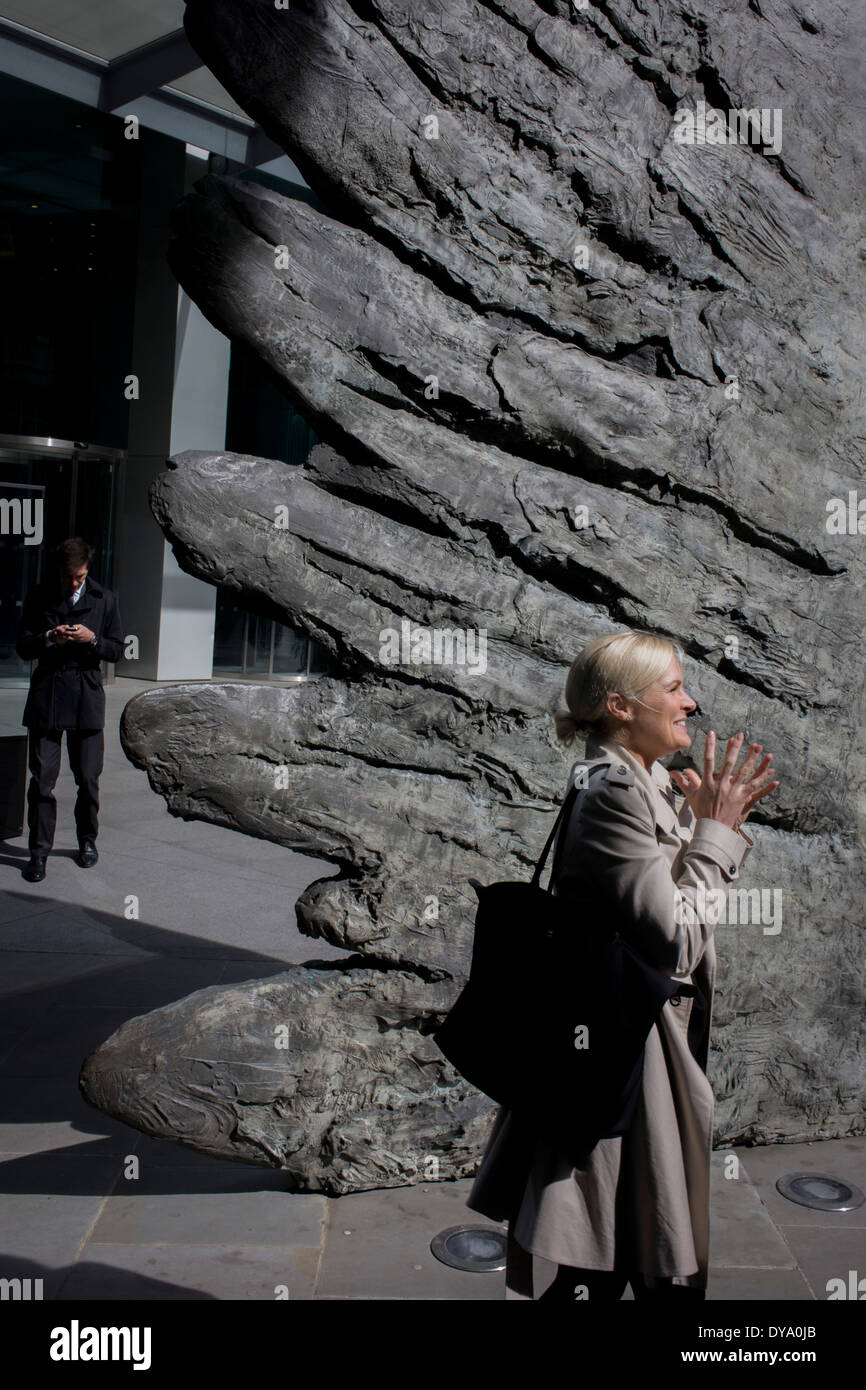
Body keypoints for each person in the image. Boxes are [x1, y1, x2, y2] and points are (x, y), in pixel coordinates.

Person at [465, 629, 780, 1300]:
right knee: (652, 1265)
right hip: (628, 1059)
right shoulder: (613, 789)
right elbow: (675, 941)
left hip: (634, 1050)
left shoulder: (643, 780)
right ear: (620, 707)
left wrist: (697, 826)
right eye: (672, 688)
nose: (691, 702)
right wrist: (717, 835)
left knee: (610, 1264)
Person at [15, 536, 124, 882]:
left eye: (78, 576)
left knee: (88, 778)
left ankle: (87, 841)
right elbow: (22, 646)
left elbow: (116, 649)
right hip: (48, 694)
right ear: (59, 572)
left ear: (88, 569)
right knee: (42, 781)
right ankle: (38, 852)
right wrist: (50, 637)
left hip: (86, 697)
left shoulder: (105, 598)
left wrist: (91, 639)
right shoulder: (39, 595)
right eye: (67, 577)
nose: (73, 583)